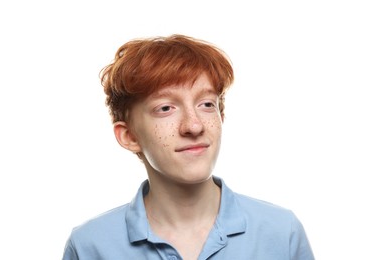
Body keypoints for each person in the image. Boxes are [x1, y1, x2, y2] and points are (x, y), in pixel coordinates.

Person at [62, 34, 314, 260]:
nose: (194, 126)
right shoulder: (89, 246)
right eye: (165, 108)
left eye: (206, 104)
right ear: (129, 136)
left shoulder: (282, 232)